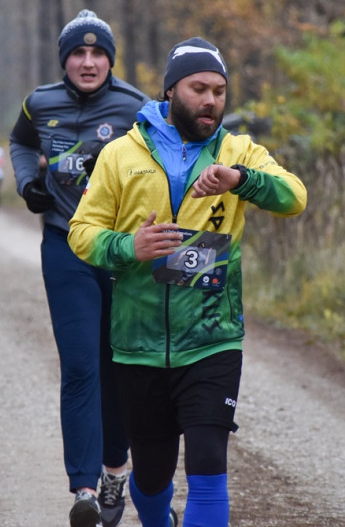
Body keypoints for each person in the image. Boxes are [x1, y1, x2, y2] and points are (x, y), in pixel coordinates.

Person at [67, 37, 307, 527]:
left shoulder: (237, 150)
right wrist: (129, 247)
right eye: (199, 88)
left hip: (212, 338)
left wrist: (240, 179)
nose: (211, 100)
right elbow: (81, 232)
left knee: (207, 462)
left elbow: (294, 197)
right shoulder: (119, 154)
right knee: (152, 478)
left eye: (220, 90)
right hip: (137, 343)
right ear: (172, 90)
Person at [9, 9, 149, 527]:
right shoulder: (39, 102)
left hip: (118, 251)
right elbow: (21, 142)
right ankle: (85, 489)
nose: (88, 62)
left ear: (110, 59)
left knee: (117, 368)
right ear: (64, 58)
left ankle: (116, 472)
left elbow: (164, 162)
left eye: (98, 53)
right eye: (78, 53)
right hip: (65, 246)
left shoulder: (136, 106)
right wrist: (30, 185)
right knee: (80, 367)